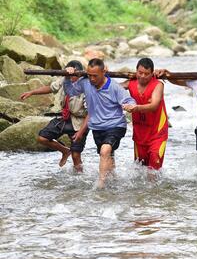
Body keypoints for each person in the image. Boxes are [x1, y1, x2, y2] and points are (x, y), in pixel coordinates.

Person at [64, 58, 136, 188]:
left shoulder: (114, 86)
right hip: (97, 127)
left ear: (104, 72)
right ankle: (114, 182)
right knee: (108, 157)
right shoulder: (85, 83)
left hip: (115, 125)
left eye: (95, 76)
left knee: (104, 151)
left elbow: (129, 100)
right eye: (89, 75)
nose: (92, 79)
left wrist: (130, 105)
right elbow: (70, 91)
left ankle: (100, 185)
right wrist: (67, 77)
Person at [20, 60, 89, 172]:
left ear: (80, 74)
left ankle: (80, 179)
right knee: (42, 138)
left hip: (80, 122)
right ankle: (65, 151)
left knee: (76, 156)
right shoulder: (65, 78)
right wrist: (32, 92)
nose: (71, 78)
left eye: (74, 76)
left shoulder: (87, 86)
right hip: (65, 118)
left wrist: (81, 131)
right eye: (69, 75)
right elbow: (50, 88)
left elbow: (90, 113)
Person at [121, 58, 169, 176]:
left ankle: (153, 194)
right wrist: (104, 73)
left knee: (153, 171)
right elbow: (110, 87)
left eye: (146, 74)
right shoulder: (130, 83)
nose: (142, 76)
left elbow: (154, 106)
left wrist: (135, 108)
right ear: (136, 72)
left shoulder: (158, 85)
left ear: (152, 73)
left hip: (157, 134)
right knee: (140, 170)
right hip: (140, 134)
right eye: (140, 73)